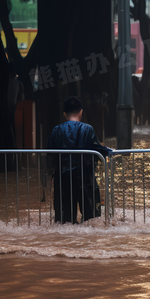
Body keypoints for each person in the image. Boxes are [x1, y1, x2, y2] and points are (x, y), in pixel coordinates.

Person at [46, 96, 111, 224]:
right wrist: (108, 150)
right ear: (81, 111)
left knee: (64, 221)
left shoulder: (57, 130)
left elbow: (49, 152)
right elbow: (97, 148)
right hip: (85, 179)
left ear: (64, 113)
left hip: (63, 179)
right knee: (91, 219)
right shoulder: (87, 129)